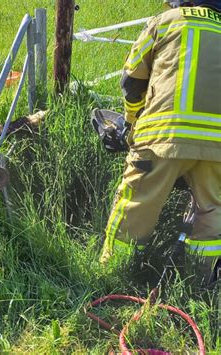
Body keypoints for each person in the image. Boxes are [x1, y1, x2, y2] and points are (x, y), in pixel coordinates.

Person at [100, 0, 221, 285]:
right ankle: (200, 282)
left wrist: (131, 123)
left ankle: (115, 274)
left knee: (136, 204)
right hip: (217, 145)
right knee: (214, 211)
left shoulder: (165, 21)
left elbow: (131, 80)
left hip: (161, 137)